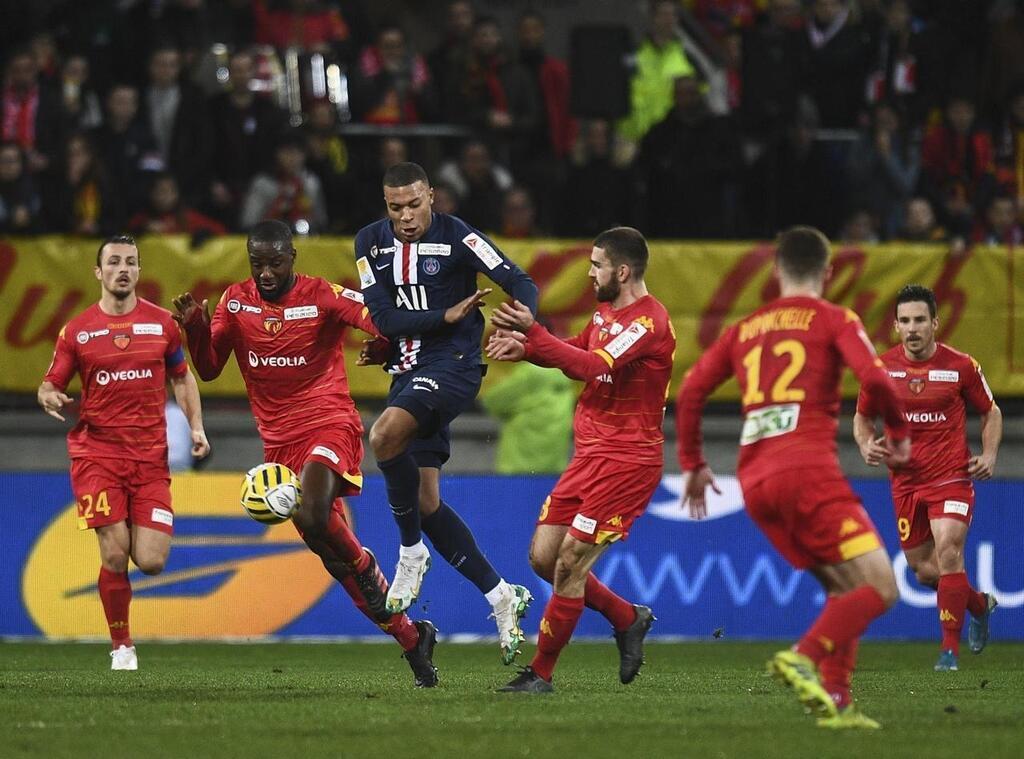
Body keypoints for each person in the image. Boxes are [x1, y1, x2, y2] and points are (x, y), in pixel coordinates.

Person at [172, 220, 439, 687]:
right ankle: (412, 637)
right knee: (331, 557)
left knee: (314, 513)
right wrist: (195, 327)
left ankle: (366, 565)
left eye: (275, 263)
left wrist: (382, 339)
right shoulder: (235, 303)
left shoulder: (322, 295)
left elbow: (376, 316)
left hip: (328, 423)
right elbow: (210, 368)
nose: (266, 273)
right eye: (258, 264)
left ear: (292, 258)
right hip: (279, 446)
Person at [677, 226, 910, 729]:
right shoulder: (834, 319)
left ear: (776, 272)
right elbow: (874, 378)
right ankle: (802, 656)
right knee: (883, 588)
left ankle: (838, 701)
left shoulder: (745, 328)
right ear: (828, 273)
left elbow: (692, 389)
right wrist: (900, 432)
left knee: (846, 590)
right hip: (807, 470)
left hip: (755, 482)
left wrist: (693, 463)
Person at [354, 161, 537, 666]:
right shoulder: (368, 243)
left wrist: (524, 322)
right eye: (397, 208)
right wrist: (437, 319)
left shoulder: (460, 237)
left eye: (415, 204)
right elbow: (385, 318)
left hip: (454, 365)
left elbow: (520, 281)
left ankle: (410, 552)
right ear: (385, 206)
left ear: (432, 195)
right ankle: (501, 595)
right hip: (408, 372)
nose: (407, 216)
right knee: (426, 500)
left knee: (385, 436)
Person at [487, 226, 675, 693]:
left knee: (570, 563)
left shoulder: (648, 322)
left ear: (623, 270)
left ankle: (541, 674)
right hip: (589, 455)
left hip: (626, 460)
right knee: (543, 559)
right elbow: (577, 349)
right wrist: (528, 348)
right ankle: (627, 617)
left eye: (596, 266)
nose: (590, 274)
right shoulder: (609, 312)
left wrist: (535, 333)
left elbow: (593, 367)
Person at [37, 235, 210, 670]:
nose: (123, 269)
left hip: (151, 459)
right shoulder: (77, 330)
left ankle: (124, 628)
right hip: (97, 455)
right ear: (99, 272)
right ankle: (122, 646)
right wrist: (48, 395)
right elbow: (51, 382)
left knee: (150, 561)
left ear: (138, 271)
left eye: (131, 262)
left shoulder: (162, 325)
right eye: (114, 262)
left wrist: (196, 427)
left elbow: (183, 379)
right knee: (114, 553)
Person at [853, 284, 1001, 672]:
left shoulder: (961, 366)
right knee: (924, 572)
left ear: (935, 322)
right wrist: (867, 444)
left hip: (952, 475)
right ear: (897, 326)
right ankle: (978, 604)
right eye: (905, 321)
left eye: (920, 319)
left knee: (949, 551)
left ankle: (948, 652)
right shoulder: (881, 369)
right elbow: (862, 418)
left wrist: (988, 454)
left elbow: (991, 412)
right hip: (905, 482)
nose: (913, 328)